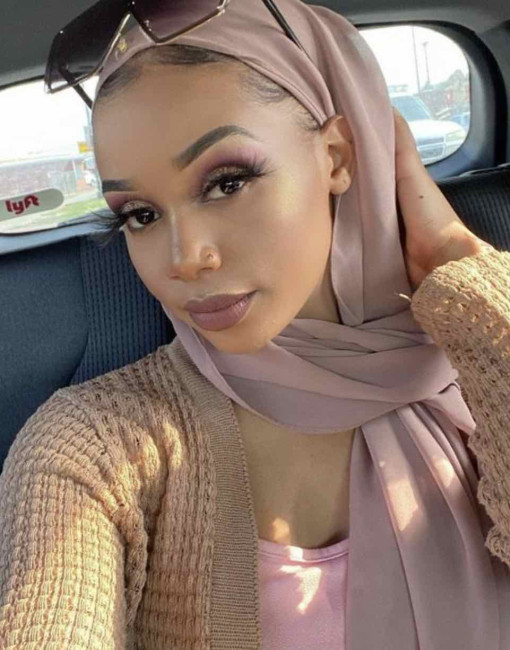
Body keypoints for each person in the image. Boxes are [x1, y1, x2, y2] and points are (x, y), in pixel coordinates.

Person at [1, 0, 510, 648]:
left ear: (336, 156)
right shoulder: (94, 449)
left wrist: (458, 264)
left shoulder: (480, 365)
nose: (184, 258)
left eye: (226, 182)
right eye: (140, 214)